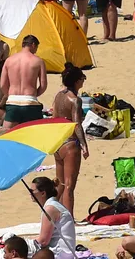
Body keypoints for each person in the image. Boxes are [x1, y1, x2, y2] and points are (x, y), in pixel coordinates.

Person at [51, 63, 89, 213]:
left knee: (60, 184)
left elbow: (54, 118)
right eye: (83, 78)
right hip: (70, 144)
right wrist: (84, 145)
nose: (83, 81)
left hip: (58, 142)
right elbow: (76, 124)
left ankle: (56, 215)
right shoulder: (75, 100)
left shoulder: (59, 96)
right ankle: (69, 219)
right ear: (77, 81)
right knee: (69, 185)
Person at [0, 34, 48, 127]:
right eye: (36, 48)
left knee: (7, 134)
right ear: (33, 45)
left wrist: (9, 95)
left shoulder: (9, 60)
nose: (36, 51)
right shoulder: (38, 61)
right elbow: (43, 85)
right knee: (33, 134)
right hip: (30, 101)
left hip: (13, 101)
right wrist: (34, 94)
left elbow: (2, 85)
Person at [29, 177, 77, 259]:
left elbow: (43, 241)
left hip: (60, 254)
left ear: (43, 193)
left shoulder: (50, 208)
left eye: (32, 191)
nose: (30, 193)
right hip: (66, 252)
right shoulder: (53, 204)